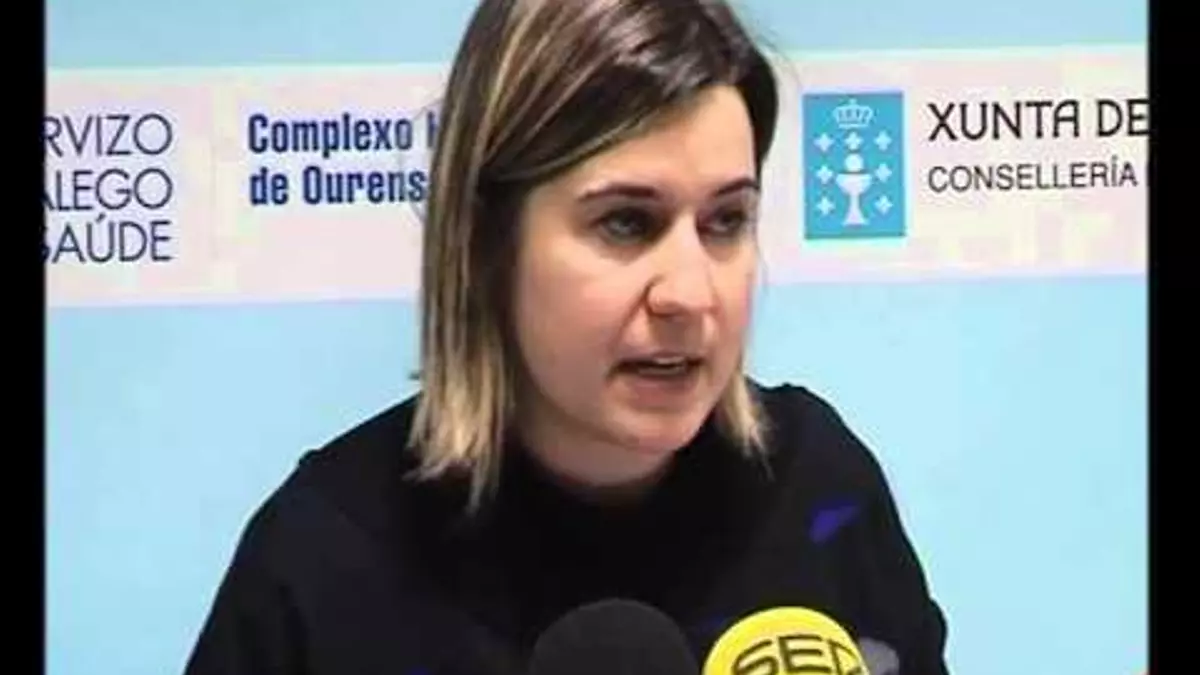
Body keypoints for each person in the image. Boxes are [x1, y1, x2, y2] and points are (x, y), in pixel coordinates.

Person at [183, 0, 950, 673]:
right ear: (484, 242)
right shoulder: (325, 559)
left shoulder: (821, 492)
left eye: (725, 221)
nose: (690, 292)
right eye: (626, 223)